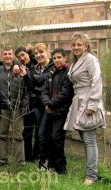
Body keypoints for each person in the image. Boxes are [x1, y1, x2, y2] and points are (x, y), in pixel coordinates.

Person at [64, 33, 106, 185]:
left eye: (79, 44)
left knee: (89, 140)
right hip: (79, 100)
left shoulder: (90, 59)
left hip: (89, 101)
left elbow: (97, 80)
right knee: (85, 138)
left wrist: (93, 103)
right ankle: (91, 172)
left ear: (86, 46)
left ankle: (91, 176)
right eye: (74, 45)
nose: (76, 47)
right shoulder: (75, 62)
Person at [0, 47, 28, 166]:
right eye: (5, 54)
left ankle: (20, 161)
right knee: (2, 134)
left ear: (13, 56)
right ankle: (2, 159)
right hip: (3, 108)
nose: (7, 56)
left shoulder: (20, 69)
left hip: (17, 107)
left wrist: (23, 106)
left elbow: (25, 88)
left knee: (18, 135)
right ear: (2, 56)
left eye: (10, 54)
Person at [40, 48, 74, 174]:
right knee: (47, 138)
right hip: (49, 111)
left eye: (59, 57)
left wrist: (51, 104)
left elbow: (66, 93)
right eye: (54, 58)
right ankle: (50, 164)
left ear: (65, 58)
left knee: (57, 138)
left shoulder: (69, 73)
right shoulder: (51, 72)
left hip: (61, 111)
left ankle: (61, 168)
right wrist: (46, 104)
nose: (56, 60)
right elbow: (44, 91)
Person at [30, 43, 54, 170]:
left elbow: (44, 84)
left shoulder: (53, 66)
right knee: (41, 133)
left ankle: (46, 162)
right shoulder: (35, 68)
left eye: (41, 52)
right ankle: (43, 159)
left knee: (43, 133)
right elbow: (32, 85)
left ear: (47, 52)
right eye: (36, 54)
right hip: (38, 105)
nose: (38, 55)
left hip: (50, 105)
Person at [15, 46, 38, 162]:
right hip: (27, 103)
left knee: (39, 131)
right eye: (19, 57)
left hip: (38, 102)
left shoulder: (36, 64)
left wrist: (30, 51)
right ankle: (28, 157)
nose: (22, 58)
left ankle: (37, 155)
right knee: (27, 130)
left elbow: (34, 84)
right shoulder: (21, 67)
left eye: (23, 54)